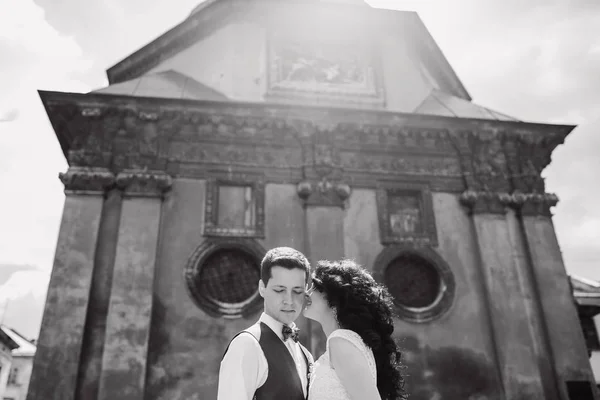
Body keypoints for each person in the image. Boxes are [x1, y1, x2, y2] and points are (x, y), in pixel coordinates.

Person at [217, 246, 314, 400]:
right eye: (279, 290)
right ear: (262, 288)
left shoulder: (306, 354)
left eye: (297, 291)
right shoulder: (246, 345)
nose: (289, 301)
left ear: (306, 291)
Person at [303, 259, 406, 400]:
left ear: (334, 301)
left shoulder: (341, 341)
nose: (306, 293)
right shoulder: (345, 342)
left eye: (314, 287)